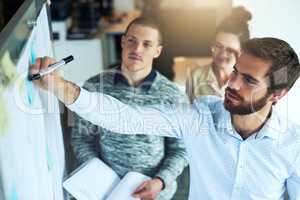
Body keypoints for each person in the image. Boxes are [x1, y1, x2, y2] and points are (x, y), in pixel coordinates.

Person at [31, 37, 300, 199]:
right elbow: (126, 118)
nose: (233, 84)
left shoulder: (293, 145)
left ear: (278, 94)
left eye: (249, 81)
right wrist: (60, 86)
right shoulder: (200, 117)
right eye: (235, 72)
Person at [70, 17, 187, 200]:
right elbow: (81, 139)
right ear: (123, 41)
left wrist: (160, 181)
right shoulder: (94, 86)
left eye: (147, 44)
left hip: (153, 191)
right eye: (132, 40)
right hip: (103, 189)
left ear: (158, 51)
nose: (137, 49)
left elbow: (181, 150)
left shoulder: (172, 95)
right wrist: (100, 176)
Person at [186, 6, 252, 102]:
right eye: (218, 46)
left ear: (242, 51)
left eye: (229, 50)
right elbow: (187, 113)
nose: (222, 54)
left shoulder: (248, 81)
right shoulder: (195, 76)